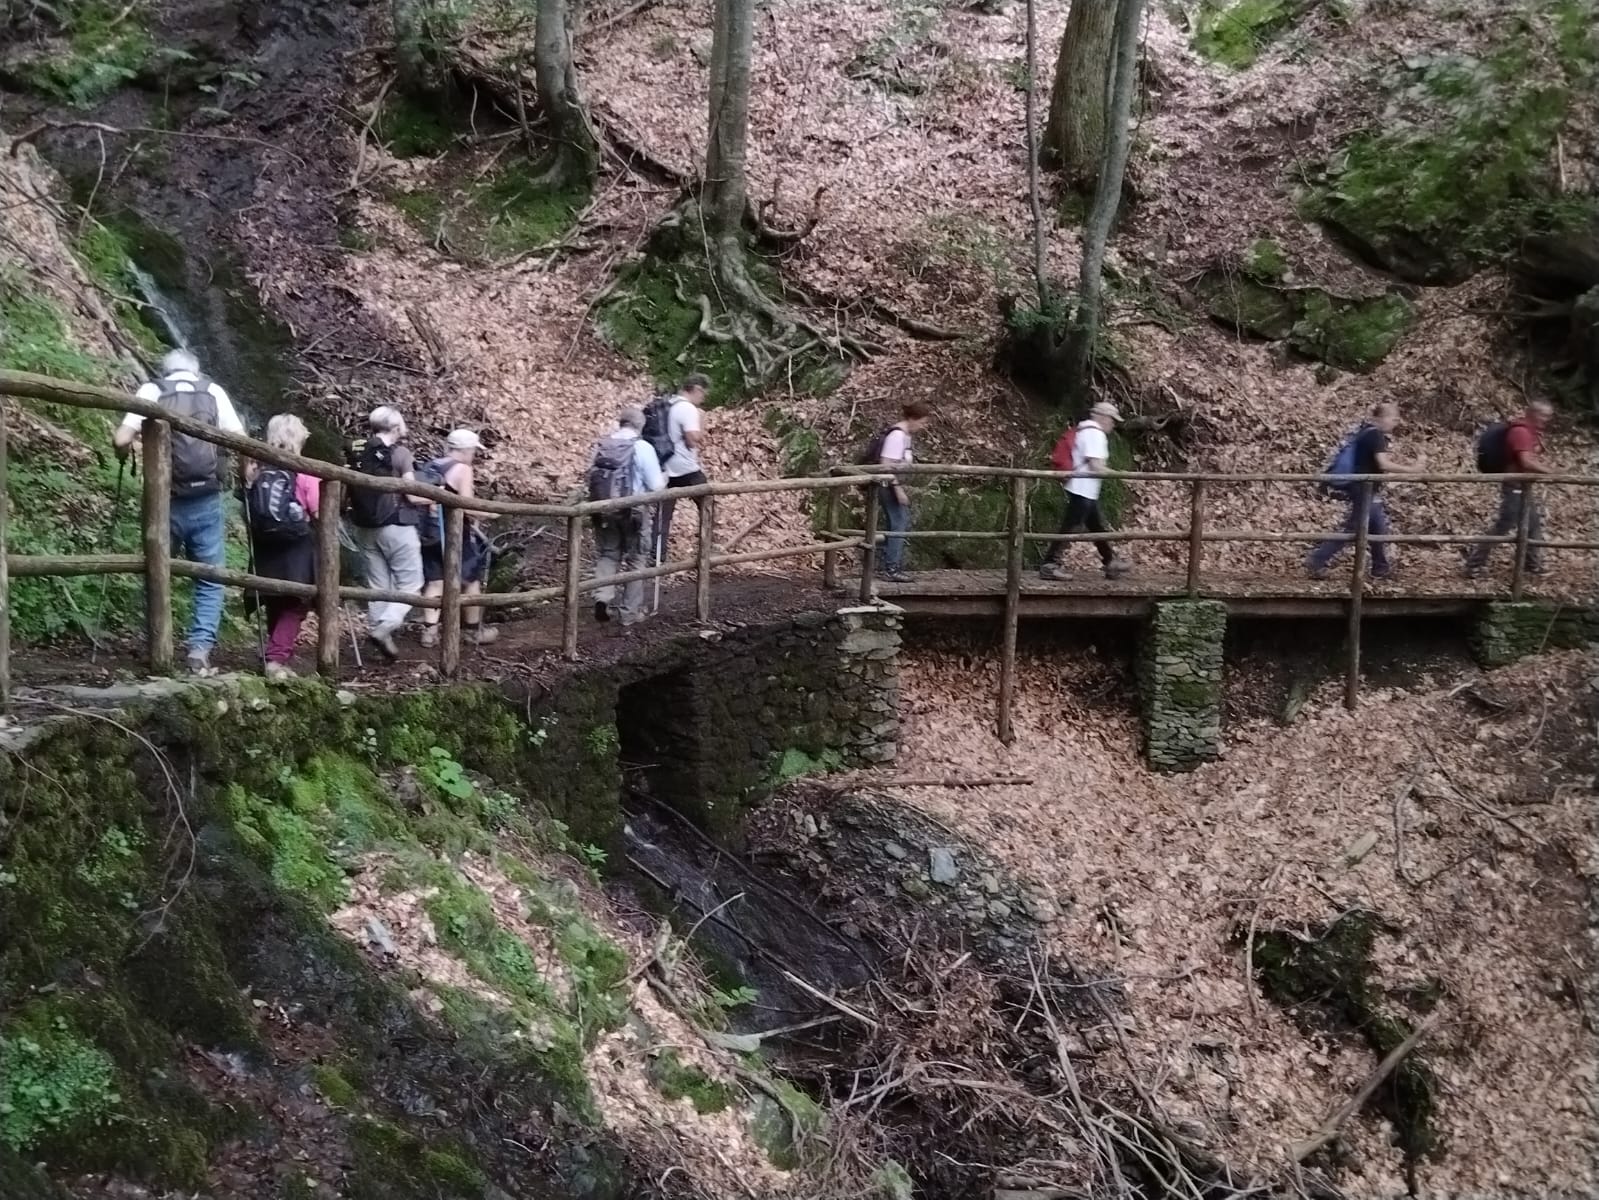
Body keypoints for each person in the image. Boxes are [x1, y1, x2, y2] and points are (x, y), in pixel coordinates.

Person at [113, 348, 245, 673]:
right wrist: (245, 473)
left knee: (156, 570)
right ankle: (199, 649)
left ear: (166, 369)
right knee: (210, 578)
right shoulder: (213, 391)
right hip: (207, 498)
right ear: (195, 370)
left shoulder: (152, 390)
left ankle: (157, 645)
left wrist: (124, 454)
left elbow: (121, 438)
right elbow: (240, 440)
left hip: (164, 499)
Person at [242, 415, 319, 679]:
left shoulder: (258, 468)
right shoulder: (304, 471)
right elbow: (319, 511)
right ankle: (276, 659)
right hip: (295, 546)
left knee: (275, 598)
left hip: (264, 544)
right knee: (296, 602)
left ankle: (274, 653)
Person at [1306, 401, 1419, 581]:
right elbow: (1383, 464)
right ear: (1381, 418)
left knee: (1378, 527)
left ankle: (1380, 568)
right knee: (1353, 529)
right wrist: (1412, 470)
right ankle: (1317, 561)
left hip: (1366, 488)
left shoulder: (1365, 431)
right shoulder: (1375, 435)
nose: (1395, 423)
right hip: (1363, 488)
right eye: (1393, 419)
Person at [346, 406, 425, 660]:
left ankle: (380, 639)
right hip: (396, 526)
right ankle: (385, 627)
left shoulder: (358, 452)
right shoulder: (400, 454)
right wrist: (437, 497)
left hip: (364, 527)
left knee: (378, 586)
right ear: (395, 427)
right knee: (411, 585)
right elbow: (412, 494)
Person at [418, 429, 500, 648]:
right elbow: (468, 505)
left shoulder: (432, 465)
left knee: (435, 581)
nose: (473, 455)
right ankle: (473, 632)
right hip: (453, 533)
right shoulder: (462, 469)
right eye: (473, 451)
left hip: (429, 532)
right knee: (471, 580)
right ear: (466, 450)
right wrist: (490, 513)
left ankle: (429, 632)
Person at [589, 406, 666, 626]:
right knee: (636, 559)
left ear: (621, 422)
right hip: (633, 512)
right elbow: (656, 486)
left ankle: (602, 597)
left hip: (603, 509)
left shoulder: (602, 445)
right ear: (641, 425)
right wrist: (665, 477)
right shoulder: (642, 447)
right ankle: (629, 613)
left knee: (608, 554)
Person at [1039, 401, 1130, 581]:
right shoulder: (1095, 433)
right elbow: (1096, 466)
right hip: (1083, 488)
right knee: (1070, 527)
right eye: (1112, 419)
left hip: (1084, 488)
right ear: (1102, 417)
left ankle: (1110, 561)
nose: (1113, 424)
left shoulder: (1085, 431)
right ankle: (1049, 565)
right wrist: (1121, 475)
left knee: (1096, 526)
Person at [1465, 400, 1555, 578]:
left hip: (1522, 486)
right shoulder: (1521, 432)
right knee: (1503, 526)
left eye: (1548, 416)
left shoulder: (1529, 432)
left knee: (1532, 526)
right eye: (1543, 415)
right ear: (1532, 413)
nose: (1546, 419)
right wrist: (1552, 472)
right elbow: (1525, 462)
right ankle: (1474, 565)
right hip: (1514, 486)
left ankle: (1532, 566)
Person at [872, 400, 933, 581]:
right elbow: (886, 465)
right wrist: (898, 490)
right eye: (922, 422)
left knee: (897, 523)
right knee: (899, 522)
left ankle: (890, 565)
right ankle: (891, 568)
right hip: (888, 485)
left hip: (892, 484)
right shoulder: (897, 436)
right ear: (912, 419)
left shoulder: (905, 436)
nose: (922, 427)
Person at [654, 373, 710, 566]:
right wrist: (702, 422)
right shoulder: (687, 408)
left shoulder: (669, 403)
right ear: (696, 389)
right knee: (707, 502)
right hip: (685, 467)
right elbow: (693, 440)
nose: (703, 398)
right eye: (703, 394)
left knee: (664, 511)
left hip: (665, 465)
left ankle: (656, 553)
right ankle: (706, 549)